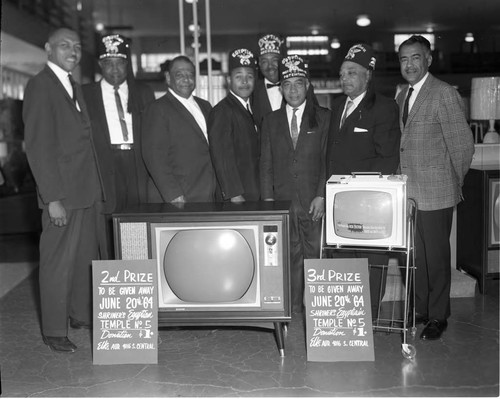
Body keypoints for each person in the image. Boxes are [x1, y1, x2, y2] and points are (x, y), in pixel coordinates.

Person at [23, 28, 104, 352]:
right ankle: (54, 330)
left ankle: (80, 314)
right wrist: (52, 198)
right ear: (47, 48)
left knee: (85, 258)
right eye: (64, 45)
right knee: (57, 262)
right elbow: (39, 146)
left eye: (77, 46)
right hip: (63, 194)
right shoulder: (40, 86)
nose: (72, 50)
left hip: (85, 190)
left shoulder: (72, 85)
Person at [396, 35, 474, 340]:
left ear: (429, 59)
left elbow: (463, 146)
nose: (409, 64)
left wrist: (451, 183)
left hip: (436, 192)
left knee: (438, 259)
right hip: (409, 194)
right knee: (413, 258)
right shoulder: (402, 95)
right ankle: (421, 310)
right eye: (404, 59)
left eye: (415, 57)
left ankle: (438, 316)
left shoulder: (443, 93)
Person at [325, 43, 401, 318]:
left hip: (369, 204)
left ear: (368, 75)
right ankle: (346, 322)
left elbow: (387, 159)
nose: (345, 78)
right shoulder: (336, 106)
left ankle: (367, 320)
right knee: (343, 262)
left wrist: (362, 195)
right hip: (339, 203)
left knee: (370, 265)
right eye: (343, 73)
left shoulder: (383, 107)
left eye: (352, 73)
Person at [260, 55, 331, 313]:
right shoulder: (270, 121)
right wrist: (269, 203)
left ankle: (316, 313)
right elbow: (265, 165)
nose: (292, 90)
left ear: (308, 85)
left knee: (315, 258)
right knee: (287, 260)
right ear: (280, 88)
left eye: (298, 83)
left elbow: (327, 161)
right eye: (287, 84)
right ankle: (288, 312)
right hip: (283, 204)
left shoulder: (324, 118)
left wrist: (322, 195)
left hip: (313, 202)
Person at [82, 34, 155, 259]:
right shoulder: (85, 94)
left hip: (136, 164)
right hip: (104, 166)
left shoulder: (143, 92)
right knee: (106, 225)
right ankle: (110, 276)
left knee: (137, 223)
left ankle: (138, 274)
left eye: (120, 63)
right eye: (108, 64)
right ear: (100, 65)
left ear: (128, 64)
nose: (114, 70)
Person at [142, 55, 216, 204]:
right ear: (168, 78)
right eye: (179, 74)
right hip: (178, 197)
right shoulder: (157, 108)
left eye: (190, 74)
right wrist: (173, 194)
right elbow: (154, 156)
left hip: (207, 193)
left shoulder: (206, 106)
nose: (186, 79)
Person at [208, 48, 260, 202]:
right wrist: (234, 194)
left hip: (253, 192)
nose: (245, 82)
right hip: (237, 197)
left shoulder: (252, 109)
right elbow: (222, 156)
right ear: (228, 80)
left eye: (249, 76)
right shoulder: (222, 111)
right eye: (239, 77)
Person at [252, 33, 317, 129]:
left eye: (275, 60)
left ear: (283, 62)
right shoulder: (252, 90)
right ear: (259, 64)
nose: (270, 66)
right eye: (265, 61)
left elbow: (315, 118)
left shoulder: (303, 87)